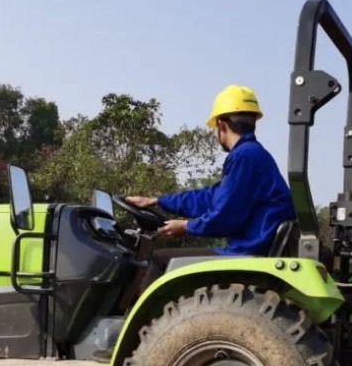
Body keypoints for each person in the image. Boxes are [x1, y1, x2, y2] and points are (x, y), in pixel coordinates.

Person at [126, 84, 296, 277]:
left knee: (160, 259)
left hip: (245, 252)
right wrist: (157, 201)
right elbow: (210, 197)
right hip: (252, 248)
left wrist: (186, 227)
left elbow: (225, 215)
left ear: (221, 125)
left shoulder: (244, 156)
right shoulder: (252, 155)